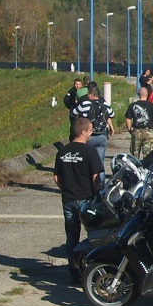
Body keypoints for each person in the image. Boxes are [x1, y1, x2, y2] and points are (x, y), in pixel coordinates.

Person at [54, 117, 103, 282]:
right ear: (83, 132)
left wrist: (66, 190)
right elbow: (96, 177)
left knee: (72, 237)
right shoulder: (89, 151)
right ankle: (92, 268)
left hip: (68, 199)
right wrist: (97, 195)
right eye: (90, 130)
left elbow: (56, 178)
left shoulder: (62, 152)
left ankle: (73, 271)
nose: (92, 133)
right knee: (94, 235)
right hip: (86, 199)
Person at [70, 82, 115, 177]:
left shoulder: (85, 105)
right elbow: (112, 115)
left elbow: (73, 113)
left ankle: (85, 179)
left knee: (85, 161)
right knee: (100, 162)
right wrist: (111, 127)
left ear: (90, 95)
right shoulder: (105, 105)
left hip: (88, 136)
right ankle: (100, 182)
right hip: (102, 135)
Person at [124, 87, 153, 159]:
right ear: (147, 94)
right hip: (148, 132)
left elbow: (128, 119)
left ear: (138, 94)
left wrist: (130, 130)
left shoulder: (133, 105)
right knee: (148, 154)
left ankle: (135, 165)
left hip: (136, 131)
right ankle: (146, 165)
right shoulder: (152, 106)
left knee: (134, 153)